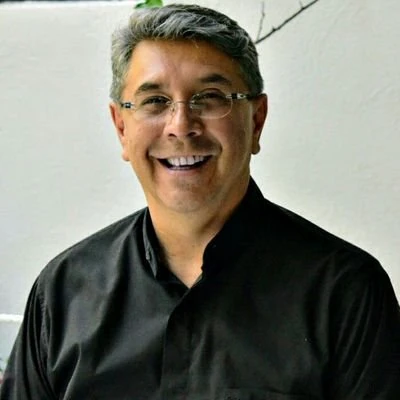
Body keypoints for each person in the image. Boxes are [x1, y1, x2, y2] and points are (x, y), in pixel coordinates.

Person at [1, 4, 399, 399]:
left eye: (209, 97)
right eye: (155, 101)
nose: (181, 126)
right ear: (121, 127)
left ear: (256, 120)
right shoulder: (64, 292)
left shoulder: (344, 293)